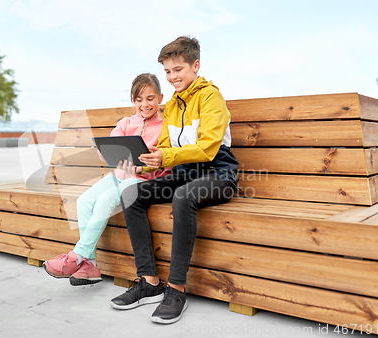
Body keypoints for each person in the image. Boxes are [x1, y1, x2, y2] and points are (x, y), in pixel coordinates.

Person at [110, 36, 239, 324]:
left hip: (218, 173)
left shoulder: (211, 98)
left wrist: (166, 158)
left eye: (177, 70)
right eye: (167, 71)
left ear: (195, 66)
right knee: (131, 194)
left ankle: (177, 289)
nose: (172, 77)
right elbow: (165, 149)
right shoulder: (174, 106)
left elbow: (207, 148)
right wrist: (138, 167)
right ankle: (149, 282)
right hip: (184, 172)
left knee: (183, 196)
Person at [43, 73, 171, 286]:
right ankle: (89, 265)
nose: (144, 104)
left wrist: (146, 161)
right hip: (119, 175)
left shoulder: (165, 126)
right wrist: (116, 156)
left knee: (105, 200)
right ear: (133, 101)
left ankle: (77, 256)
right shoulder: (125, 123)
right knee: (84, 200)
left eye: (150, 98)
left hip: (143, 180)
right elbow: (105, 153)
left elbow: (166, 158)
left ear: (160, 97)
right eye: (139, 100)